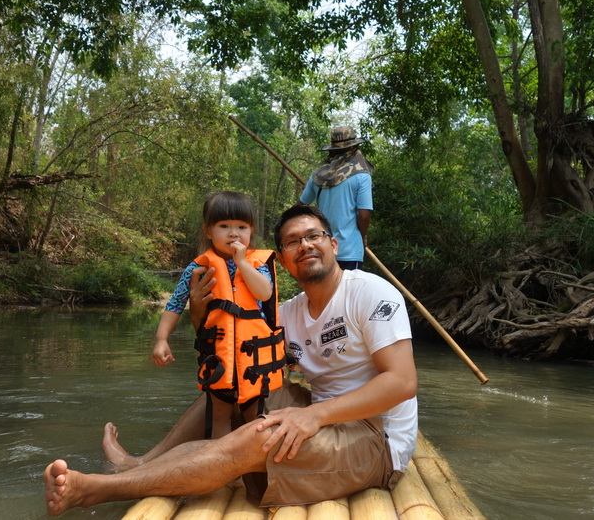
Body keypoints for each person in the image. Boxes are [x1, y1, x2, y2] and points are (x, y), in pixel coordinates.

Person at [43, 205, 417, 516]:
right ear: (282, 262)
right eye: (292, 241)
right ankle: (139, 464)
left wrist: (313, 415)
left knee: (259, 438)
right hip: (320, 411)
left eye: (314, 235)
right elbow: (225, 347)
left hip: (375, 437)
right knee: (233, 384)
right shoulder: (287, 313)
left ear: (333, 244)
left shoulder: (368, 292)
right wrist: (198, 310)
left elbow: (402, 382)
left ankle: (99, 489)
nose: (305, 245)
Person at [152, 190, 286, 440]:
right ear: (208, 232)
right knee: (219, 417)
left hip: (253, 360)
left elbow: (265, 293)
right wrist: (161, 339)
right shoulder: (198, 267)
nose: (234, 233)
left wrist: (243, 263)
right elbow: (176, 303)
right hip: (218, 357)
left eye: (241, 227)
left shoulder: (257, 263)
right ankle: (219, 468)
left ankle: (256, 469)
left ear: (251, 231)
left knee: (255, 419)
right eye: (224, 226)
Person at [299, 126, 373, 270]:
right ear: (354, 148)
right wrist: (362, 237)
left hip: (323, 249)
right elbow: (364, 215)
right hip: (349, 251)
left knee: (325, 292)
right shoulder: (362, 175)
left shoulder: (318, 176)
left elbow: (300, 206)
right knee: (348, 292)